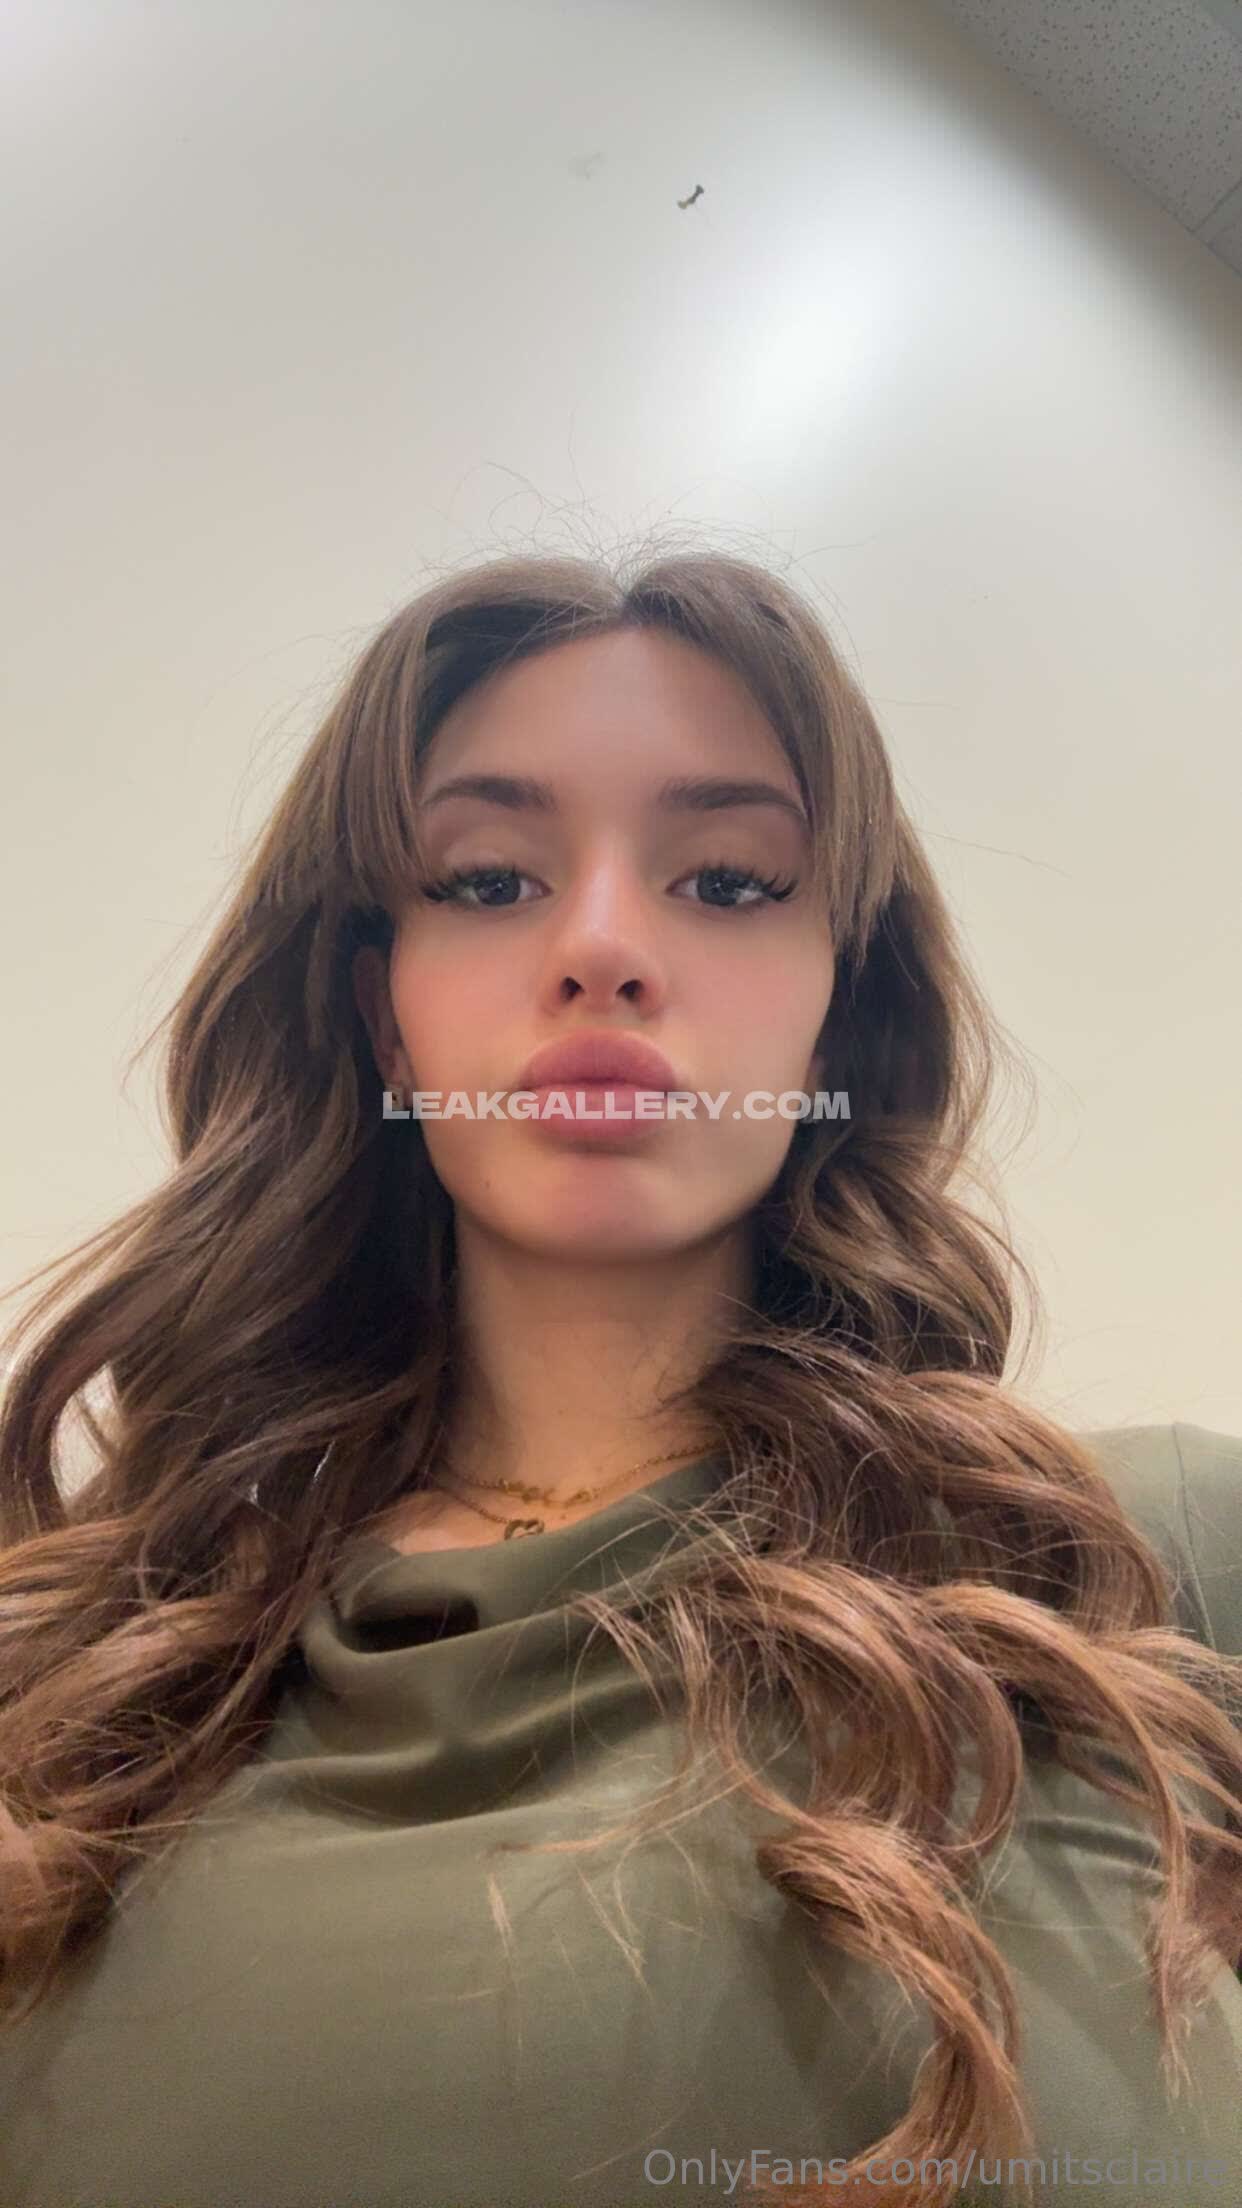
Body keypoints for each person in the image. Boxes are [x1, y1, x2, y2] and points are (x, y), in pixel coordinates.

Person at [0, 545, 1238, 2208]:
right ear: (383, 1018)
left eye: (725, 881)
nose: (600, 948)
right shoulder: (76, 1678)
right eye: (487, 881)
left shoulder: (1137, 1578)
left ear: (835, 1014)